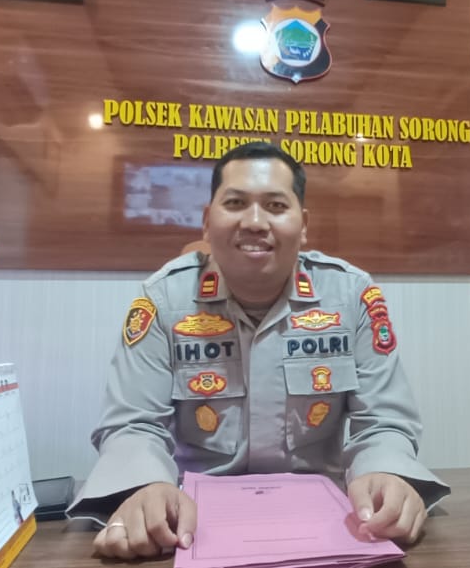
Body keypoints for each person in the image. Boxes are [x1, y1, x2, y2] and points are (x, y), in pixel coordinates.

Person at [70, 142, 449, 560]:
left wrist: (385, 474)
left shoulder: (350, 295)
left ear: (303, 225)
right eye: (235, 203)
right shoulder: (164, 299)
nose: (254, 222)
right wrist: (146, 488)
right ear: (207, 221)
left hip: (326, 527)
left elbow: (383, 421)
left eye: (275, 205)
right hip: (192, 527)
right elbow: (133, 423)